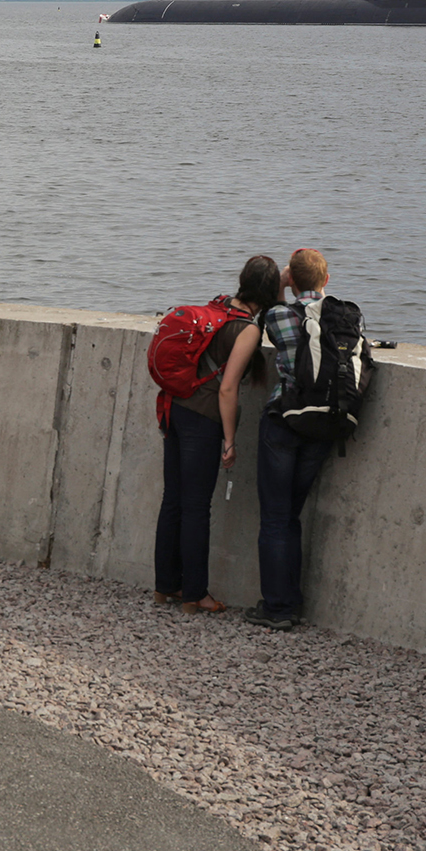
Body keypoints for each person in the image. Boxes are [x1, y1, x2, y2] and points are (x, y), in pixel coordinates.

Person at [152, 256, 277, 613]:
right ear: (269, 291)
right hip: (202, 420)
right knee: (196, 508)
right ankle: (194, 594)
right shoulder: (248, 330)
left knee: (172, 501)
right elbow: (228, 391)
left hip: (174, 408)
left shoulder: (218, 307)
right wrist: (230, 440)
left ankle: (165, 587)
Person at [246, 247, 351, 631]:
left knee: (274, 517)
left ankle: (278, 608)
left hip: (285, 421)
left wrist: (282, 285)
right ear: (327, 281)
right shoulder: (344, 316)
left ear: (291, 281)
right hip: (324, 425)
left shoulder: (278, 314)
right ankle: (291, 601)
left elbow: (269, 312)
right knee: (291, 515)